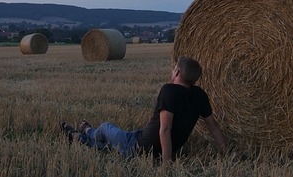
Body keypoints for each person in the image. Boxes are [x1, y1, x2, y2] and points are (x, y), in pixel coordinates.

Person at [60, 56, 227, 163]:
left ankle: (87, 130)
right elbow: (213, 126)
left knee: (104, 128)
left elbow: (165, 129)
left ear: (177, 71)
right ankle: (76, 136)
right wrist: (224, 152)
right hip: (152, 146)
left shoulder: (169, 90)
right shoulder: (200, 95)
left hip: (141, 146)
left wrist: (166, 164)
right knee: (111, 147)